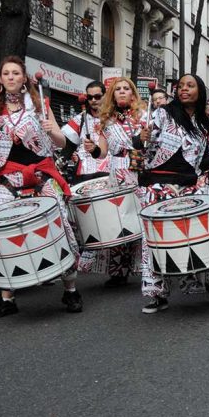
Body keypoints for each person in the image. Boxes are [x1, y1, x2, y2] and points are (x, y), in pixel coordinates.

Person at [0, 56, 82, 318]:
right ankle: (7, 297)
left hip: (41, 176)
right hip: (6, 180)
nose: (11, 77)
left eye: (16, 73)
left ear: (24, 77)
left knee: (58, 227)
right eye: (6, 73)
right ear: (1, 80)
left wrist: (52, 131)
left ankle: (70, 289)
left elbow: (61, 144)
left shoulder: (39, 104)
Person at [136, 74, 209, 313]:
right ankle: (157, 293)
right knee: (154, 243)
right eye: (181, 86)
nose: (184, 89)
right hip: (158, 187)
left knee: (199, 239)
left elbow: (201, 164)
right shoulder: (162, 113)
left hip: (189, 188)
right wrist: (140, 138)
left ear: (200, 91)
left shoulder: (204, 125)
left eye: (190, 85)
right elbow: (144, 142)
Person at [83, 78, 144, 288]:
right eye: (117, 89)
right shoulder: (106, 121)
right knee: (120, 222)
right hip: (117, 170)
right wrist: (93, 150)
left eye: (126, 88)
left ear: (133, 93)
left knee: (141, 218)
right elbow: (103, 153)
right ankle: (119, 271)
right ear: (112, 95)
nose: (122, 92)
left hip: (140, 170)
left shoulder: (144, 116)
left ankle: (147, 268)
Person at [61, 81, 110, 185]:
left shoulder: (113, 118)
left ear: (105, 96)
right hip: (85, 173)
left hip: (108, 172)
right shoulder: (80, 119)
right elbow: (68, 144)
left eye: (97, 97)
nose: (93, 100)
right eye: (90, 97)